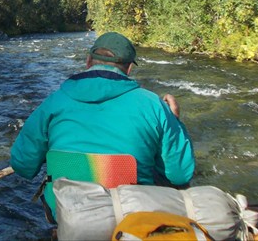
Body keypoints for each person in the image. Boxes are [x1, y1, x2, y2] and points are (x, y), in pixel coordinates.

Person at [10, 32, 195, 219]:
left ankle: (58, 231)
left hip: (67, 216)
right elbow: (180, 174)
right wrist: (175, 122)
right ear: (129, 68)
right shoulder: (154, 105)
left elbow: (23, 165)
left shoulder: (53, 102)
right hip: (130, 217)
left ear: (88, 61)